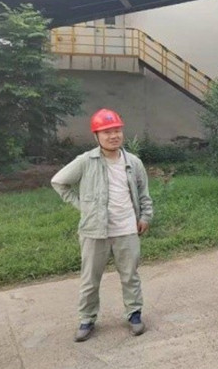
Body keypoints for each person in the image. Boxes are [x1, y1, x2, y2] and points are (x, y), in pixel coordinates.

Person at [51, 108, 153, 342]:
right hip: (94, 231)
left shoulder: (133, 162)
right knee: (90, 279)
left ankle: (134, 314)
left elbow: (144, 194)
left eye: (117, 130)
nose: (113, 136)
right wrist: (83, 206)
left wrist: (145, 217)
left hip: (127, 228)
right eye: (106, 132)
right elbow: (59, 182)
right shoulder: (86, 161)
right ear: (96, 135)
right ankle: (87, 319)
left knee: (130, 275)